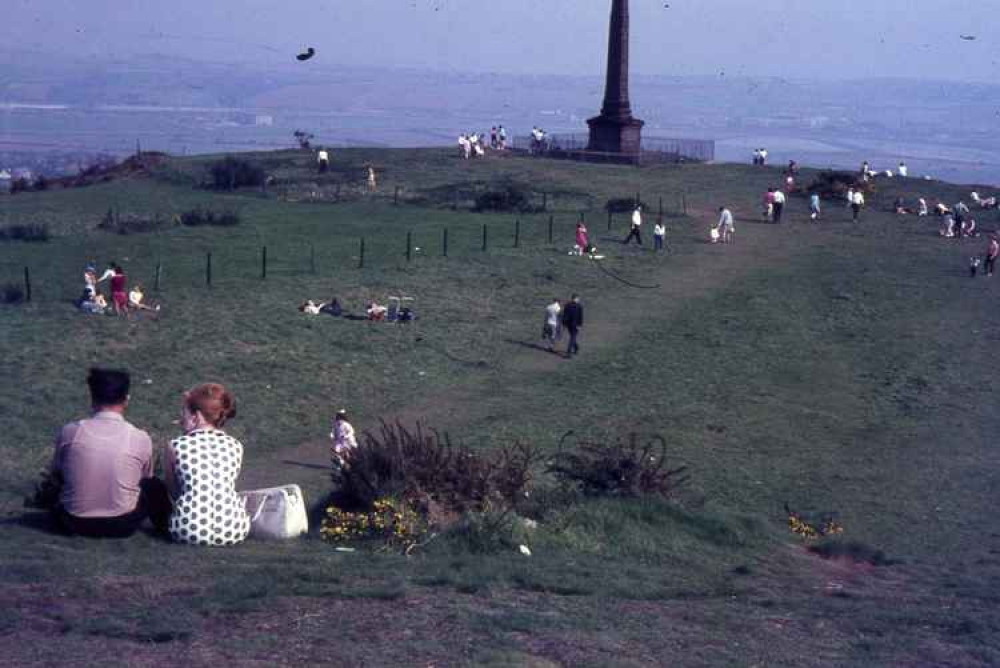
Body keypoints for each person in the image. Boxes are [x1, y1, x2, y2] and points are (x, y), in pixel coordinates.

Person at [49, 368, 169, 538]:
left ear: (92, 399)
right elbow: (144, 477)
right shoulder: (139, 437)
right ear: (126, 400)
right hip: (122, 524)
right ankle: (164, 527)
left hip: (73, 522)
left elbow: (57, 471)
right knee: (153, 485)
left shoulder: (70, 432)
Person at [163, 383, 250, 547]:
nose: (182, 417)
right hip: (234, 529)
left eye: (184, 412)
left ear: (195, 417)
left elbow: (173, 491)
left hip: (187, 530)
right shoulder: (236, 445)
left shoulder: (175, 445)